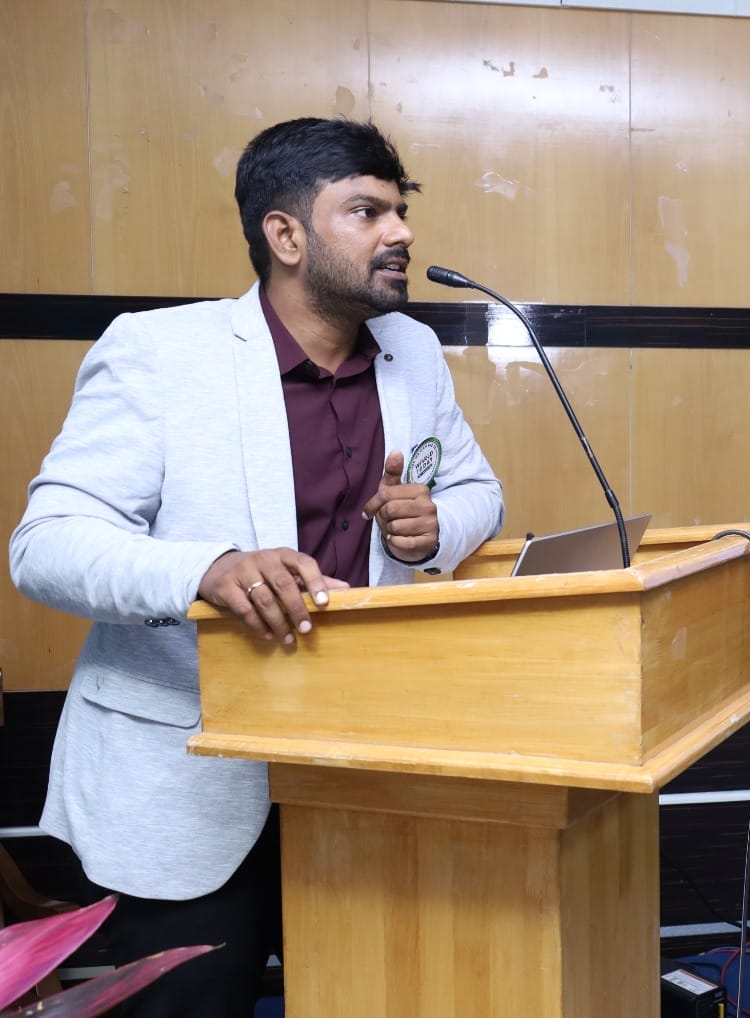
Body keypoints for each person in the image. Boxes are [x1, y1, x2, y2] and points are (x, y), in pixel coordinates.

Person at [9, 118, 505, 1016]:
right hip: (188, 781)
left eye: (399, 210)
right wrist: (209, 569)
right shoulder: (159, 352)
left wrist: (434, 528)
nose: (400, 232)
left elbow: (477, 490)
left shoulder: (414, 352)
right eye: (366, 212)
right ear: (286, 235)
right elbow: (46, 545)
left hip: (364, 774)